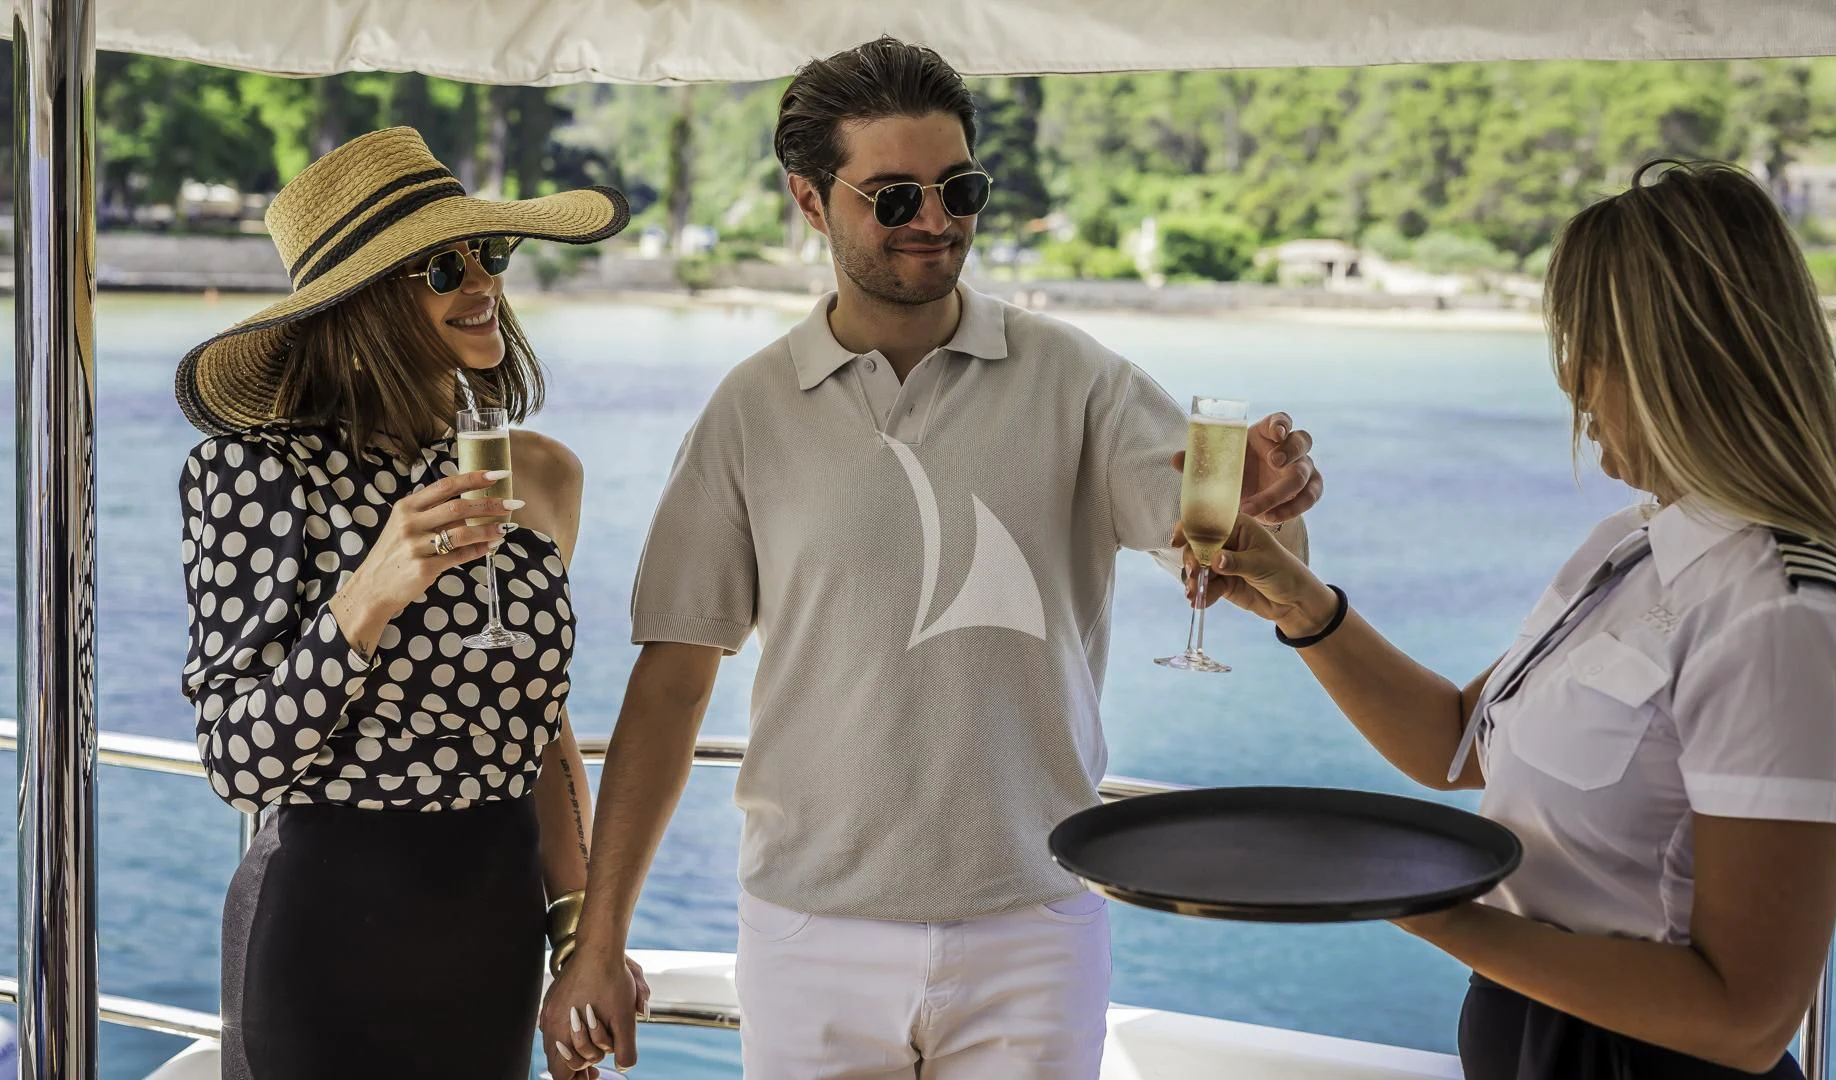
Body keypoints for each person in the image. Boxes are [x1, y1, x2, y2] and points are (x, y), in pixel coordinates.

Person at [539, 36, 1321, 1079]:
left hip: (1034, 926)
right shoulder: (748, 412)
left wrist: (1274, 506)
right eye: (896, 197)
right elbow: (673, 687)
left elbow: (1238, 558)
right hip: (806, 932)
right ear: (811, 204)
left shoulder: (1076, 379)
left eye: (960, 188)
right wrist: (598, 945)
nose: (939, 220)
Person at [1180, 160, 1836, 1079]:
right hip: (1528, 1036)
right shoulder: (1629, 548)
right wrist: (1305, 608)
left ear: (1678, 358)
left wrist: (1422, 905)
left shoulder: (1784, 614)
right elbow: (1456, 744)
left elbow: (1745, 1021)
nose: (1569, 380)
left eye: (1589, 346)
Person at [173, 126, 642, 1078]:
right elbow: (237, 762)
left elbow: (541, 724)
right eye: (441, 268)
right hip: (324, 934)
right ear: (362, 304)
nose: (484, 286)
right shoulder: (256, 474)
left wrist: (578, 933)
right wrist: (371, 593)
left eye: (491, 256)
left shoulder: (541, 475)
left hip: (494, 929)